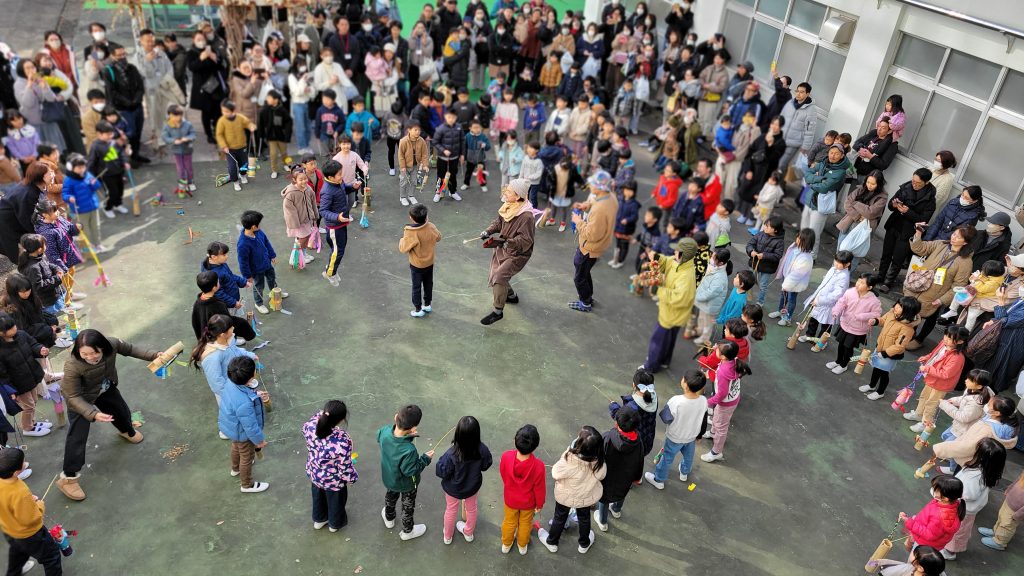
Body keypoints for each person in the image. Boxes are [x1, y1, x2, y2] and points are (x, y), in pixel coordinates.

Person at [56, 330, 158, 501]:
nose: (90, 357)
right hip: (81, 399)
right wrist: (93, 414)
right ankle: (68, 478)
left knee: (121, 411)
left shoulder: (112, 344)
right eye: (84, 354)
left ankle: (126, 430)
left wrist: (155, 355)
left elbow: (131, 349)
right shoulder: (72, 365)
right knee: (77, 437)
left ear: (103, 347)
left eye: (94, 352)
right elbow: (72, 396)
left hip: (104, 387)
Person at [538, 426, 606, 554]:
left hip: (565, 497)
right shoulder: (599, 463)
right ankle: (584, 544)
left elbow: (555, 472)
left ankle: (552, 542)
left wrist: (567, 452)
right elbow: (602, 475)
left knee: (559, 518)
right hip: (585, 499)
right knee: (584, 518)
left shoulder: (569, 459)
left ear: (578, 445)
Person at [905, 226, 975, 349]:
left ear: (965, 242)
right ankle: (909, 334)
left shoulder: (965, 262)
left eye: (958, 237)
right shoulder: (941, 244)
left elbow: (959, 285)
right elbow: (920, 248)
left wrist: (942, 300)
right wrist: (918, 233)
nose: (953, 237)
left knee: (930, 316)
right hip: (919, 285)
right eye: (954, 234)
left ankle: (919, 339)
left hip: (937, 294)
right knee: (913, 310)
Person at [638, 238, 698, 372]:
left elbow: (679, 298)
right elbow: (668, 261)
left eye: (677, 250)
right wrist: (657, 258)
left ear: (684, 255)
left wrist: (657, 290)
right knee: (669, 339)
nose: (674, 251)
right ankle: (665, 361)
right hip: (676, 315)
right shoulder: (680, 262)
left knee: (658, 340)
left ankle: (651, 366)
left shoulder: (686, 277)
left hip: (671, 314)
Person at [0, 447, 62, 575]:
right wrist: (39, 505)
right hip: (30, 535)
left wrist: (27, 502)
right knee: (51, 556)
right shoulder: (19, 492)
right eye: (23, 462)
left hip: (9, 529)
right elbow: (31, 519)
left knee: (18, 555)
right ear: (16, 472)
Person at [377, 405, 434, 541]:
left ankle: (389, 518)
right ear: (414, 428)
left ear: (396, 417)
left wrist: (406, 435)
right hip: (407, 484)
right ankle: (408, 531)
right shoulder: (409, 450)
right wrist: (425, 459)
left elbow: (383, 438)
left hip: (390, 478)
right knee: (407, 506)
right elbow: (411, 470)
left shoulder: (384, 432)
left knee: (390, 497)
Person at [876, 169, 937, 294]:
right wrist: (894, 205)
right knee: (886, 253)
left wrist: (907, 212)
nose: (914, 184)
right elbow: (890, 205)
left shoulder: (930, 199)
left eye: (918, 183)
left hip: (908, 232)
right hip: (894, 225)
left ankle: (888, 282)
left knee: (898, 258)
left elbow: (923, 220)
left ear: (926, 182)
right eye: (913, 180)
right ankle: (880, 276)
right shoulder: (905, 187)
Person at [645, 370, 708, 489]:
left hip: (675, 437)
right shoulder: (703, 401)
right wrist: (700, 435)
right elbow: (704, 420)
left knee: (667, 458)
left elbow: (666, 418)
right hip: (691, 436)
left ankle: (659, 479)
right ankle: (684, 472)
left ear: (685, 384)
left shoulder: (676, 401)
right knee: (689, 456)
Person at [435, 415, 492, 545]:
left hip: (453, 489)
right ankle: (468, 533)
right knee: (472, 509)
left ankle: (447, 536)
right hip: (472, 487)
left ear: (458, 434)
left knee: (451, 510)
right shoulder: (481, 449)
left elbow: (441, 471)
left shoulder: (451, 453)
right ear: (477, 433)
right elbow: (486, 465)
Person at [303, 400, 358, 532]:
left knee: (318, 498)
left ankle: (319, 519)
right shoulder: (342, 440)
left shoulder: (309, 426)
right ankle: (334, 524)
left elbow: (317, 417)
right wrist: (352, 479)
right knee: (335, 502)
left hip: (315, 474)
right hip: (334, 481)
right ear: (341, 420)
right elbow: (345, 467)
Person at [903, 326, 970, 431]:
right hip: (932, 378)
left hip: (941, 384)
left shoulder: (957, 358)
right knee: (924, 397)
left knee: (931, 403)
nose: (945, 339)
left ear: (960, 341)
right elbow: (934, 354)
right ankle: (919, 414)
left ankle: (925, 423)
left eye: (950, 338)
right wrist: (926, 358)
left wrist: (927, 369)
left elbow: (945, 374)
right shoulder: (944, 344)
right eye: (946, 335)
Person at [569, 171, 618, 313]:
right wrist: (587, 205)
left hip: (590, 247)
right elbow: (596, 201)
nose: (590, 185)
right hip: (598, 245)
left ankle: (585, 303)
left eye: (593, 184)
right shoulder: (610, 197)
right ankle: (588, 297)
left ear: (600, 187)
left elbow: (591, 234)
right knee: (584, 271)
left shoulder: (600, 210)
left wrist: (578, 222)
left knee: (579, 277)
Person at [220, 356, 270, 493]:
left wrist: (255, 394)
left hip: (232, 427)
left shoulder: (231, 383)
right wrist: (259, 441)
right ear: (252, 375)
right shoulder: (244, 404)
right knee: (247, 457)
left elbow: (242, 395)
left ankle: (235, 468)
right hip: (243, 433)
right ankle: (247, 485)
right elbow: (251, 426)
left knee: (236, 447)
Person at [189, 314, 255, 415]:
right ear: (222, 334)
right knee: (231, 414)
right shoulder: (211, 357)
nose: (233, 328)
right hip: (226, 392)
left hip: (237, 381)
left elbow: (235, 350)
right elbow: (217, 383)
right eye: (231, 327)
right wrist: (232, 395)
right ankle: (226, 430)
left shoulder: (229, 339)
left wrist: (249, 354)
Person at [0, 313, 52, 438]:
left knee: (33, 402)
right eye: (10, 328)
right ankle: (28, 427)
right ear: (1, 333)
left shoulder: (22, 335)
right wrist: (10, 390)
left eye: (13, 325)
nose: (14, 328)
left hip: (31, 377)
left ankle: (32, 423)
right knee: (28, 406)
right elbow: (2, 374)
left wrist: (40, 350)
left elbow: (33, 345)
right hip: (19, 384)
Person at [701, 340, 753, 463]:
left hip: (725, 403)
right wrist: (717, 348)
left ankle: (716, 452)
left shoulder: (724, 371)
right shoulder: (733, 360)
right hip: (732, 399)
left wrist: (709, 401)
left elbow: (721, 394)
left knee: (721, 427)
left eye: (717, 349)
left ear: (723, 356)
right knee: (717, 418)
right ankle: (713, 433)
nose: (715, 350)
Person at [859, 297, 921, 400]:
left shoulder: (907, 329)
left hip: (889, 355)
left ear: (908, 312)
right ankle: (872, 385)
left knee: (884, 373)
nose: (896, 306)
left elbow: (899, 346)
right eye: (898, 303)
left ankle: (880, 392)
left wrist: (885, 353)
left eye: (901, 306)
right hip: (880, 348)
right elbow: (883, 320)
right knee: (876, 368)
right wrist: (875, 321)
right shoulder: (892, 313)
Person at [594, 407, 643, 532]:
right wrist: (637, 477)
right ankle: (616, 510)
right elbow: (640, 461)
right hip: (626, 478)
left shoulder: (607, 437)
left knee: (604, 499)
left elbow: (598, 457)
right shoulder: (638, 441)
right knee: (622, 494)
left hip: (607, 478)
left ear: (616, 422)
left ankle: (603, 521)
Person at [498, 423, 545, 555]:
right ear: (535, 446)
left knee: (509, 521)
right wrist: (539, 504)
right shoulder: (539, 466)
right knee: (525, 523)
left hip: (510, 499)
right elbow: (540, 489)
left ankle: (506, 544)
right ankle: (522, 545)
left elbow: (503, 473)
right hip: (528, 503)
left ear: (515, 441)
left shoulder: (506, 456)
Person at [825, 274, 882, 375]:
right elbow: (841, 302)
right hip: (845, 323)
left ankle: (843, 365)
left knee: (848, 348)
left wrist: (862, 316)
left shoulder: (874, 301)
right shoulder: (850, 292)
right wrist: (836, 311)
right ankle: (838, 361)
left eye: (862, 283)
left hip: (857, 329)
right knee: (841, 344)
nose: (858, 284)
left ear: (869, 287)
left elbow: (876, 314)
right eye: (858, 280)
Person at [801, 144, 850, 259]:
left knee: (814, 233)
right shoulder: (823, 162)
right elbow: (807, 173)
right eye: (831, 152)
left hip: (821, 205)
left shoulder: (840, 171)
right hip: (809, 199)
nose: (833, 155)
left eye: (836, 153)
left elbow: (824, 188)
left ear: (842, 155)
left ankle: (812, 256)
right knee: (804, 229)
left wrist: (812, 181)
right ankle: (802, 251)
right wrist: (820, 179)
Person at [798, 250, 853, 350]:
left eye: (839, 262)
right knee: (813, 319)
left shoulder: (844, 277)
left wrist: (819, 301)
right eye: (836, 260)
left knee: (825, 324)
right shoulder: (833, 269)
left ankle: (821, 341)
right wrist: (816, 297)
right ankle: (809, 336)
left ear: (847, 264)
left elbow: (836, 295)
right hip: (820, 299)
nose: (836, 263)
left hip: (829, 305)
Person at [103, 44, 147, 164]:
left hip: (137, 106)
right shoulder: (109, 71)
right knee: (128, 133)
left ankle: (136, 155)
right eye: (119, 55)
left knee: (138, 131)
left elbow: (140, 86)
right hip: (122, 109)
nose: (122, 57)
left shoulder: (131, 68)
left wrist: (136, 100)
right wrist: (127, 102)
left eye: (124, 54)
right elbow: (111, 92)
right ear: (112, 55)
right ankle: (128, 158)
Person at [836, 170, 887, 273]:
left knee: (854, 255)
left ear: (879, 184)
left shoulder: (882, 197)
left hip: (863, 229)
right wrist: (858, 215)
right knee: (840, 251)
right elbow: (847, 204)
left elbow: (870, 213)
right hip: (849, 223)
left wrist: (856, 203)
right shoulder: (860, 189)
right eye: (868, 182)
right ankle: (835, 273)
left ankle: (846, 276)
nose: (869, 185)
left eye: (873, 184)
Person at [899, 474, 965, 551]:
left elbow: (929, 534)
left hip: (924, 543)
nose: (933, 490)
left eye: (936, 490)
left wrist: (910, 522)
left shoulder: (939, 517)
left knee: (914, 560)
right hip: (924, 537)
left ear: (945, 498)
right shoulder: (948, 503)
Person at [237, 210, 286, 314]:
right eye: (259, 223)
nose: (261, 225)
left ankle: (275, 292)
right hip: (256, 269)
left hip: (266, 263)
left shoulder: (259, 232)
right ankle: (259, 303)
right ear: (253, 226)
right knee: (259, 286)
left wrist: (272, 255)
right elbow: (243, 262)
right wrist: (247, 275)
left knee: (272, 277)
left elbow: (266, 242)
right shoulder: (243, 244)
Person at [399, 203, 442, 318]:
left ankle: (418, 309)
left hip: (417, 265)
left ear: (411, 218)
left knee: (416, 287)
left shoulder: (410, 232)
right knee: (428, 284)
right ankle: (427, 304)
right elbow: (438, 237)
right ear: (426, 217)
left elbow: (403, 248)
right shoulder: (431, 226)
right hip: (429, 263)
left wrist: (403, 239)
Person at [186, 30, 228, 144]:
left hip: (215, 84)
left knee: (217, 110)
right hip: (202, 87)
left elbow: (220, 65)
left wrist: (215, 58)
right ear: (194, 40)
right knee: (206, 111)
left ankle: (218, 131)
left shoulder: (211, 49)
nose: (201, 42)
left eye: (202, 39)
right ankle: (209, 134)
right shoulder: (191, 53)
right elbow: (192, 67)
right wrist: (201, 58)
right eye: (198, 39)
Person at [0, 274, 61, 348]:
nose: (27, 293)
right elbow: (25, 330)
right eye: (23, 292)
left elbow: (39, 313)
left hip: (42, 335)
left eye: (28, 290)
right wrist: (48, 329)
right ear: (14, 291)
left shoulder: (29, 297)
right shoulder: (13, 309)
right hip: (33, 343)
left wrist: (51, 320)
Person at [940, 260, 1004, 330]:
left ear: (990, 272)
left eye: (984, 269)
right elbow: (973, 281)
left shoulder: (995, 283)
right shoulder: (988, 275)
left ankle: (967, 331)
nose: (982, 270)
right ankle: (953, 310)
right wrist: (974, 278)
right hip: (974, 295)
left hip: (981, 302)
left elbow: (981, 288)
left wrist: (976, 279)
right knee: (958, 294)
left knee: (971, 316)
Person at [771, 228, 816, 327]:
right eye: (798, 236)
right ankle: (780, 311)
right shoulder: (794, 249)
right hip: (786, 277)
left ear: (806, 241)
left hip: (794, 283)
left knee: (791, 299)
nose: (797, 239)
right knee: (783, 296)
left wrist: (787, 284)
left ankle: (787, 317)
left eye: (800, 238)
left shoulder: (806, 258)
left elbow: (797, 274)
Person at [86, 122, 128, 218]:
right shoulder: (95, 146)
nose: (111, 136)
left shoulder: (113, 143)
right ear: (99, 134)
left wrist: (125, 162)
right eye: (108, 134)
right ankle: (107, 207)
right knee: (111, 193)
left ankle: (118, 204)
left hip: (118, 171)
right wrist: (90, 176)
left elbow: (121, 153)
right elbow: (91, 162)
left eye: (111, 134)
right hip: (106, 175)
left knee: (120, 190)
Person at [280, 166, 318, 268]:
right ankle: (294, 259)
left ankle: (303, 255)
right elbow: (289, 211)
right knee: (301, 240)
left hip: (307, 220)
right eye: (300, 179)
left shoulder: (308, 189)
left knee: (306, 237)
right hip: (298, 222)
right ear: (294, 180)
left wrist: (314, 215)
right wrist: (295, 224)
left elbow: (313, 203)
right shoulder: (291, 193)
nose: (304, 181)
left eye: (305, 178)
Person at [978, 468, 1024, 551]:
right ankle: (996, 531)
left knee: (1007, 525)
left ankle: (1000, 542)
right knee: (1001, 517)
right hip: (1010, 500)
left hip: (1016, 510)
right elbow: (1018, 480)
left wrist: (1018, 515)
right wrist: (1009, 489)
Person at [216, 100, 256, 192]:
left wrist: (251, 126)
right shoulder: (221, 121)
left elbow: (248, 123)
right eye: (223, 111)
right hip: (229, 149)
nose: (224, 113)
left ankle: (242, 175)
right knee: (232, 167)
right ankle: (235, 181)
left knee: (244, 164)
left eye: (226, 111)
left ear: (233, 111)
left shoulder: (240, 118)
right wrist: (224, 146)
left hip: (242, 147)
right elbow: (219, 134)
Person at [745, 215, 785, 306]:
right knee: (749, 279)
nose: (765, 227)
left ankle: (760, 302)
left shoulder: (780, 242)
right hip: (755, 262)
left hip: (768, 267)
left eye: (768, 226)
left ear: (775, 230)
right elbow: (750, 244)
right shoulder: (760, 234)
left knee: (763, 285)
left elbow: (778, 255)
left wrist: (764, 256)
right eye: (765, 225)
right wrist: (751, 251)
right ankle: (746, 296)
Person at [777, 82, 816, 174]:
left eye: (802, 92)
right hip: (780, 139)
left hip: (793, 143)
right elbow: (780, 119)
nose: (798, 94)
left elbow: (810, 130)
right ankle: (776, 185)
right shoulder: (790, 104)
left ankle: (776, 185)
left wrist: (805, 148)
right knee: (775, 163)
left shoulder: (811, 110)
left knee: (781, 165)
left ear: (807, 94)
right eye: (797, 91)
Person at [161, 105, 197, 194]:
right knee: (180, 168)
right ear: (169, 115)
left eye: (179, 115)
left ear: (181, 115)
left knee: (188, 167)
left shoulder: (187, 124)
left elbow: (193, 134)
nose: (177, 118)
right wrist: (173, 140)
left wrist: (188, 138)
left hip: (187, 150)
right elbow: (164, 137)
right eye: (174, 115)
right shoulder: (167, 126)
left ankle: (190, 182)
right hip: (176, 151)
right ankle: (182, 183)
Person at [259, 90, 293, 180]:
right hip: (271, 137)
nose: (267, 99)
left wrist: (287, 135)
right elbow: (261, 122)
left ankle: (286, 164)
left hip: (281, 136)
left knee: (284, 152)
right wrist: (261, 134)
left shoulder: (282, 110)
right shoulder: (265, 109)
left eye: (269, 98)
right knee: (273, 154)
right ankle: (274, 170)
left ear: (276, 100)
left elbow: (288, 122)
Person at [928, 151, 958, 223]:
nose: (935, 162)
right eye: (935, 159)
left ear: (945, 164)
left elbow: (938, 200)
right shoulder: (930, 169)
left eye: (939, 161)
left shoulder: (947, 179)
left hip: (926, 211)